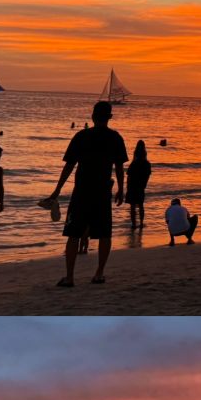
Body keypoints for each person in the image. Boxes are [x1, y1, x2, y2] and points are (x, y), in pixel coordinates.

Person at [47, 100, 127, 287]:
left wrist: (57, 189)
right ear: (109, 117)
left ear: (92, 117)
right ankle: (99, 274)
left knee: (73, 234)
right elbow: (119, 167)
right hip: (102, 192)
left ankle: (69, 277)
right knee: (105, 233)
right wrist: (121, 189)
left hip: (82, 191)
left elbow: (69, 165)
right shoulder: (115, 138)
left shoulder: (81, 136)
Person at [125, 140, 152, 230]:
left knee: (132, 206)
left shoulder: (134, 163)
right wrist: (144, 184)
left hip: (132, 186)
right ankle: (141, 223)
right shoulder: (147, 164)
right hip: (141, 186)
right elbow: (148, 175)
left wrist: (127, 186)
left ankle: (134, 224)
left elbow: (128, 176)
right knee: (141, 205)